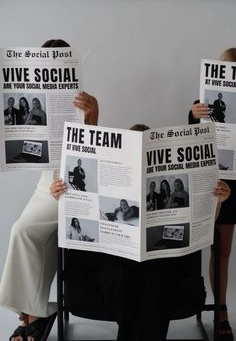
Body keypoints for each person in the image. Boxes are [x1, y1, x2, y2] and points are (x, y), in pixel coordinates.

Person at [51, 123, 231, 341]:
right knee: (122, 280)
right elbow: (77, 212)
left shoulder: (161, 195)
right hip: (114, 260)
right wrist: (60, 196)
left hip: (158, 260)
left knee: (157, 283)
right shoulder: (114, 200)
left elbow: (202, 223)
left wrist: (217, 202)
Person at [0, 39, 99, 341]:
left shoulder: (87, 101)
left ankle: (32, 318)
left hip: (69, 186)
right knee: (26, 235)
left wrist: (92, 115)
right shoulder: (28, 98)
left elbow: (91, 149)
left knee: (23, 232)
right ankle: (35, 314)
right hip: (46, 185)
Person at [189, 47, 236, 341]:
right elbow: (193, 139)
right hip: (222, 182)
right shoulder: (203, 103)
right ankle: (221, 312)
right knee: (221, 249)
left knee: (223, 249)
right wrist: (193, 116)